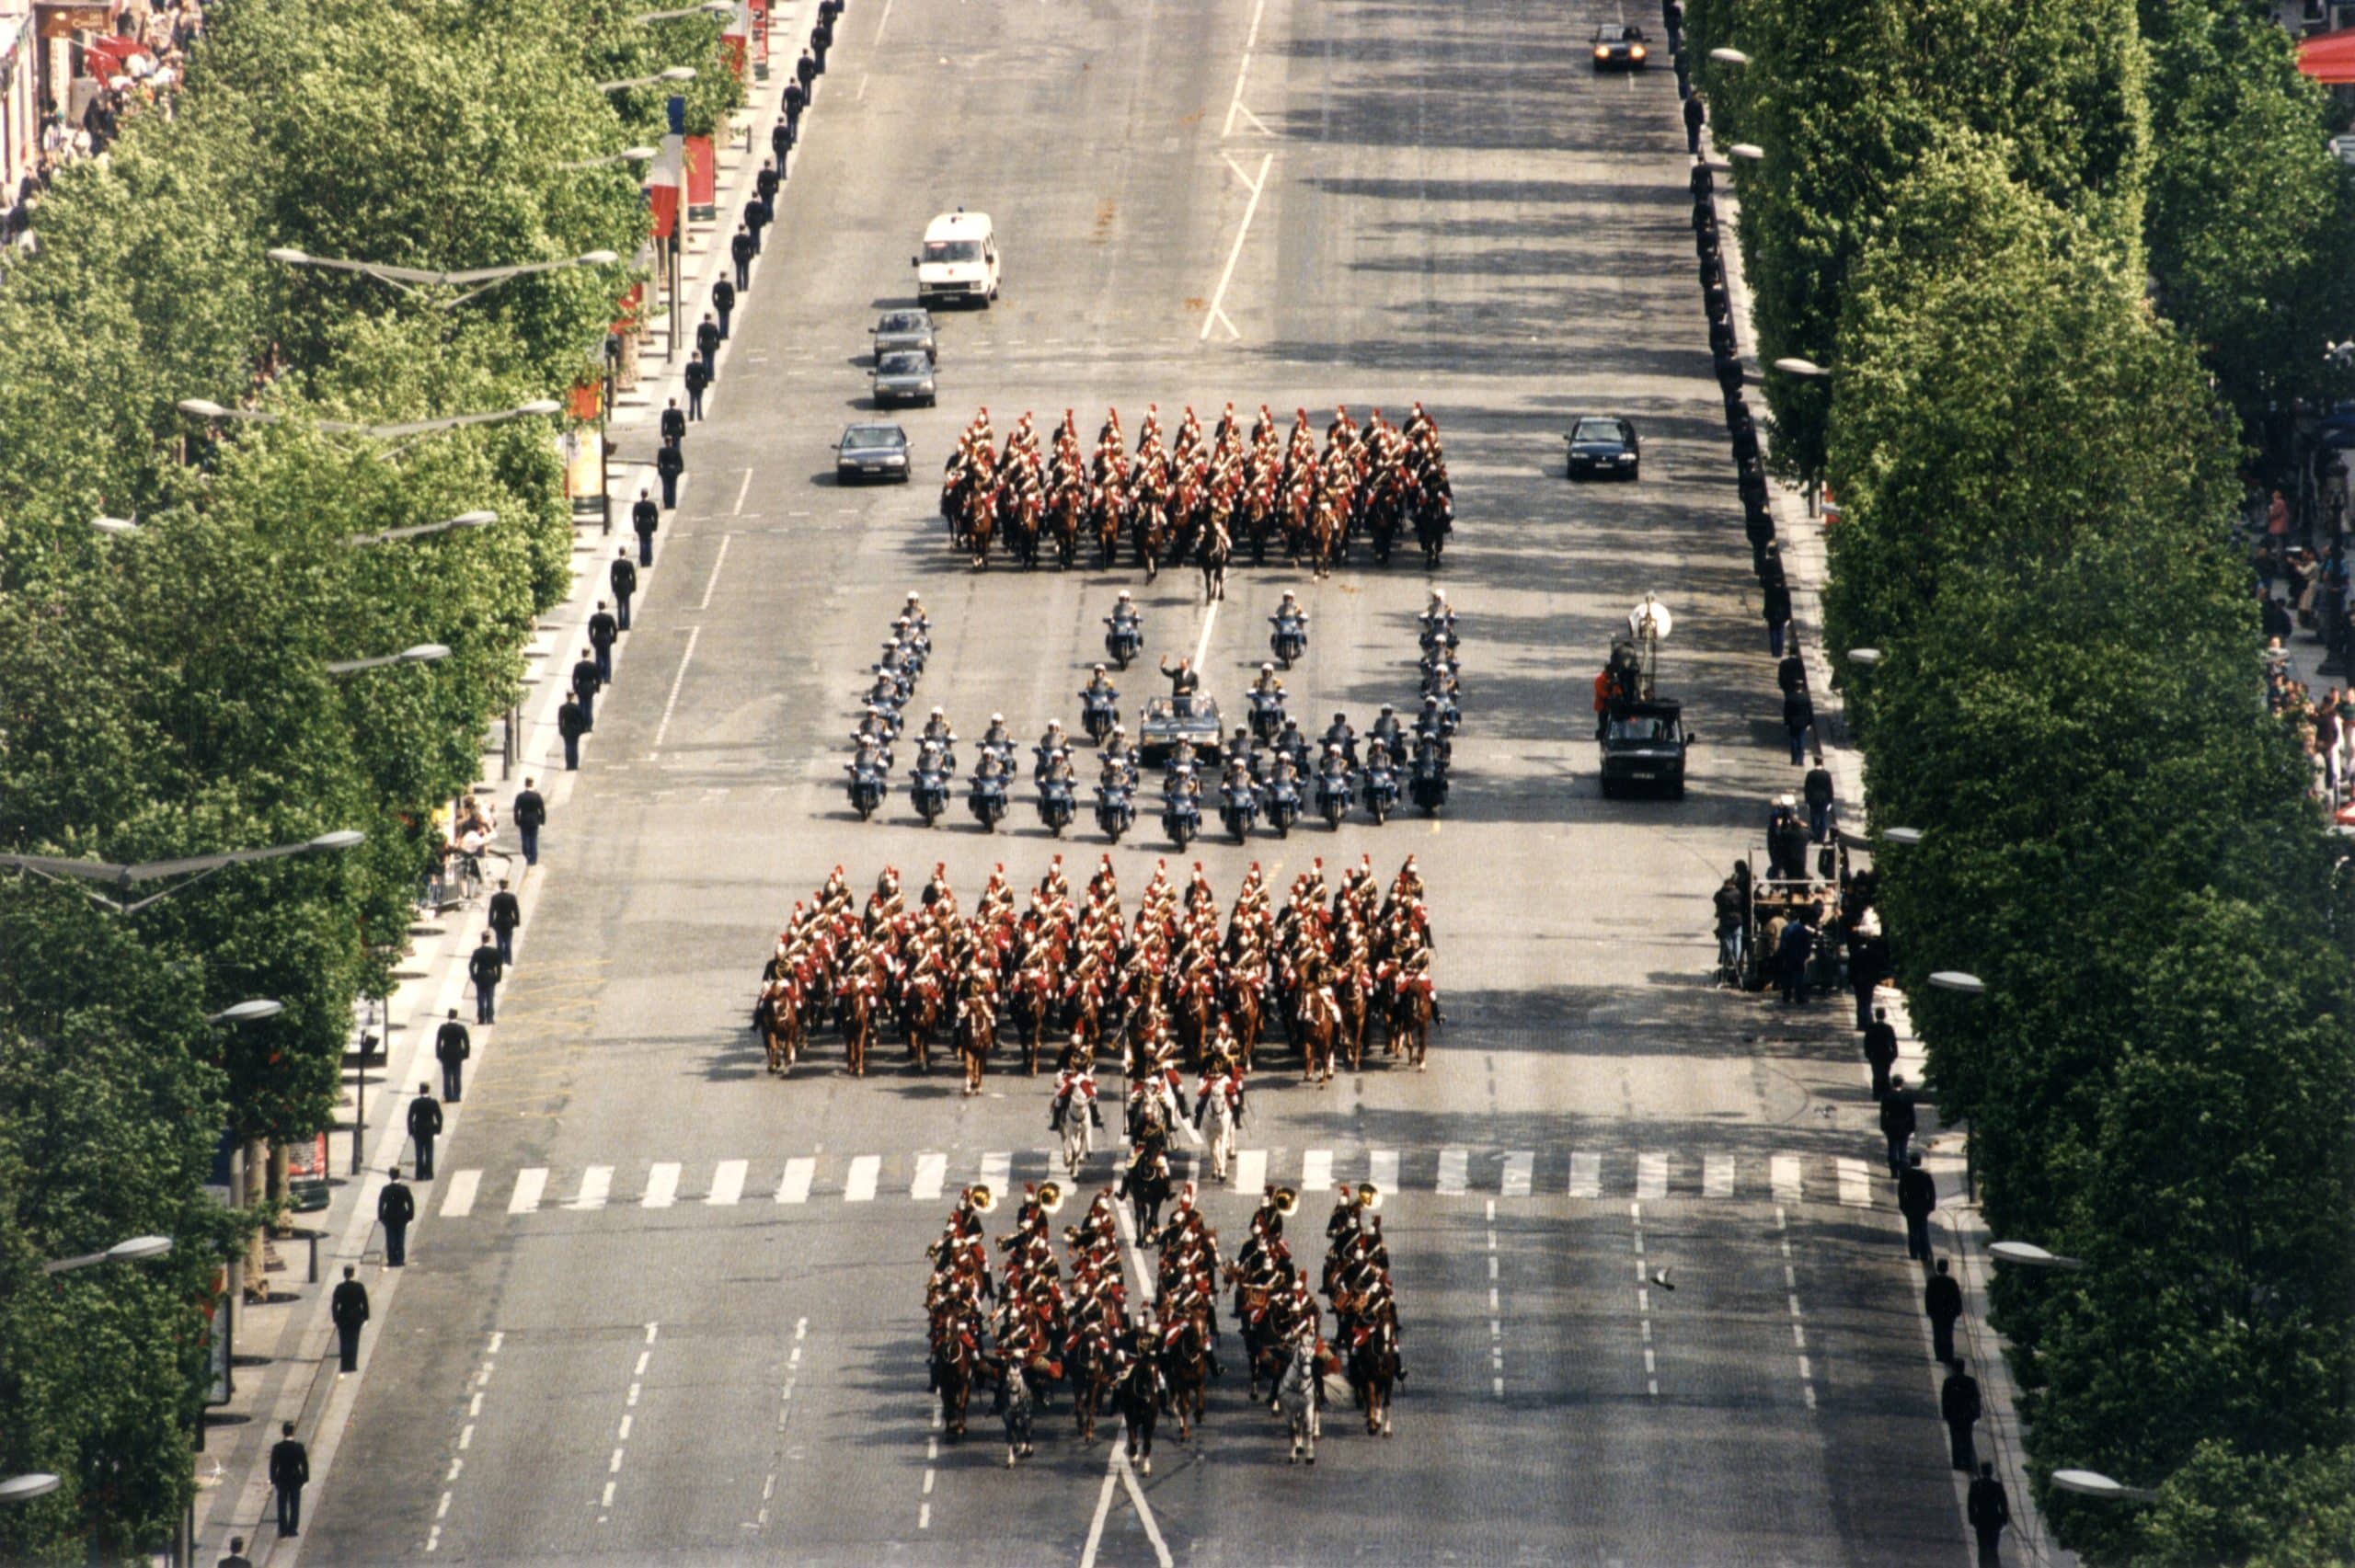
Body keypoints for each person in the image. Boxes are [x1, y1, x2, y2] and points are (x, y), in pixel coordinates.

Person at [269, 1423, 309, 1538]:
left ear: (283, 1432)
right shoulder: (299, 1447)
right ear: (293, 1431)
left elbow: (273, 1465)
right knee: (294, 1504)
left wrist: (273, 1479)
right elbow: (304, 1464)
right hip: (295, 1478)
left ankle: (283, 1528)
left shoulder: (277, 1448)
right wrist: (305, 1479)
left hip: (282, 1478)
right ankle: (293, 1528)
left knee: (282, 1504)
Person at [1941, 1358, 1982, 1471]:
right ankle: (1967, 1462)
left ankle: (1957, 1462)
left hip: (1953, 1415)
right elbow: (1976, 1399)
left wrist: (1945, 1414)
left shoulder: (1949, 1382)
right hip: (1967, 1415)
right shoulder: (1970, 1382)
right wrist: (1977, 1413)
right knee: (1967, 1439)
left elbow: (1945, 1400)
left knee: (1955, 1439)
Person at [1967, 1461, 2010, 1567]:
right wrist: (2004, 1520)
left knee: (1982, 1548)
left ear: (1981, 1471)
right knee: (1993, 1548)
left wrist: (1973, 1520)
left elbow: (1970, 1504)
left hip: (1981, 1521)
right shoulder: (1997, 1486)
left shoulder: (1975, 1485)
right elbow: (2003, 1504)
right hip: (1994, 1521)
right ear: (1991, 1472)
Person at [330, 1265, 370, 1374]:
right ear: (353, 1273)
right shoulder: (359, 1286)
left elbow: (334, 1305)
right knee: (354, 1340)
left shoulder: (339, 1288)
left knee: (344, 1340)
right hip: (356, 1317)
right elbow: (365, 1303)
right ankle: (352, 1364)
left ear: (344, 1274)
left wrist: (335, 1318)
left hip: (343, 1317)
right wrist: (366, 1317)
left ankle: (345, 1364)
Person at [1897, 1151, 1936, 1261]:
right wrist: (1931, 1206)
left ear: (1911, 1161)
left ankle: (1914, 1253)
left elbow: (1901, 1192)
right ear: (1920, 1161)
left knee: (1912, 1230)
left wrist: (1903, 1205)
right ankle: (1924, 1254)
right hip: (1923, 1206)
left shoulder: (1906, 1175)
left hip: (1910, 1205)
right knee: (1923, 1230)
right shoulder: (1925, 1175)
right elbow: (1931, 1192)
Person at [1925, 1256, 1963, 1365]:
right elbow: (1957, 1297)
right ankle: (1948, 1355)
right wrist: (1957, 1310)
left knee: (1937, 1333)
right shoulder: (1951, 1282)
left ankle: (1939, 1355)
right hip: (1949, 1313)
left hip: (1936, 1313)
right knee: (1948, 1334)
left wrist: (1929, 1310)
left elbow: (1928, 1297)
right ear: (1947, 1268)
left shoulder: (1932, 1281)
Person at [1881, 1074, 1918, 1176]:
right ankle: (1903, 1169)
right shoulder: (1908, 1096)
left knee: (1892, 1147)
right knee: (1903, 1148)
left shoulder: (1887, 1095)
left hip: (1892, 1124)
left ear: (1893, 1083)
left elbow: (1883, 1113)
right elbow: (1911, 1113)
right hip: (1904, 1125)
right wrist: (1913, 1127)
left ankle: (1893, 1171)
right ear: (1902, 1083)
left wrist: (1883, 1126)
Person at [378, 1167, 415, 1267]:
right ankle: (400, 1259)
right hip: (401, 1217)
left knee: (390, 1238)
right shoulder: (404, 1189)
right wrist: (410, 1216)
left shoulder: (386, 1189)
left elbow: (381, 1204)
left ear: (390, 1176)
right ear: (399, 1175)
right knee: (400, 1238)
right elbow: (410, 1203)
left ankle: (392, 1259)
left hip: (389, 1217)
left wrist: (381, 1217)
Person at [408, 1082, 443, 1180]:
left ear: (420, 1091)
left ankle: (419, 1175)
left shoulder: (415, 1102)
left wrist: (411, 1131)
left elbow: (410, 1117)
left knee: (419, 1154)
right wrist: (438, 1130)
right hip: (429, 1130)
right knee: (429, 1153)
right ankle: (429, 1174)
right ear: (428, 1090)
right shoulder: (433, 1102)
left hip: (418, 1130)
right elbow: (439, 1117)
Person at [1775, 909, 1812, 1004]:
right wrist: (1806, 955)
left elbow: (1783, 945)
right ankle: (1799, 997)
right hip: (1799, 956)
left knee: (1787, 977)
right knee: (1799, 977)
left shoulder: (1785, 929)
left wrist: (1782, 955)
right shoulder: (1803, 929)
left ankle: (1786, 997)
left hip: (1788, 955)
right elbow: (1807, 944)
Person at [1863, 1006, 1899, 1101]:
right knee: (1885, 1075)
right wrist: (1894, 1054)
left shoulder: (1871, 1027)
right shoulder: (1888, 1028)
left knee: (1876, 1075)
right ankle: (1885, 1094)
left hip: (1875, 1055)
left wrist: (1868, 1054)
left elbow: (1867, 1042)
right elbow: (1893, 1042)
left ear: (1876, 1015)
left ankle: (1876, 1095)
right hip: (1886, 1055)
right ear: (1885, 1016)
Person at [469, 933, 504, 1025]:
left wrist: (473, 976)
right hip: (490, 975)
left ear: (482, 939)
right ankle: (490, 1018)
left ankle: (481, 1018)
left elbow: (471, 965)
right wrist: (498, 977)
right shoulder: (494, 951)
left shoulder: (477, 951)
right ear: (489, 939)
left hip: (480, 975)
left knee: (480, 998)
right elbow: (499, 966)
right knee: (490, 998)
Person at [435, 1009, 471, 1102]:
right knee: (457, 1075)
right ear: (456, 1016)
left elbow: (438, 1042)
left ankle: (448, 1096)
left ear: (448, 1016)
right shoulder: (461, 1028)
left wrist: (439, 1054)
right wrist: (465, 1054)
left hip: (446, 1053)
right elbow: (466, 1042)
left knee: (447, 1075)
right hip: (457, 1054)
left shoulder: (443, 1028)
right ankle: (457, 1095)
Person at [512, 779, 546, 865]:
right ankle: (533, 859)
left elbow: (516, 810)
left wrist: (516, 821)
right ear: (532, 784)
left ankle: (526, 857)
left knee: (525, 839)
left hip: (524, 820)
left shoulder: (520, 796)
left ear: (525, 784)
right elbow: (542, 809)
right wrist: (542, 821)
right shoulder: (537, 796)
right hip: (535, 820)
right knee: (534, 839)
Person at [488, 878, 521, 966]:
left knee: (499, 941)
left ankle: (500, 960)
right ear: (507, 885)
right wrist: (517, 921)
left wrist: (491, 922)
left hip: (498, 921)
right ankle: (508, 960)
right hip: (508, 921)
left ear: (499, 886)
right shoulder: (512, 897)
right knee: (508, 941)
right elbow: (516, 910)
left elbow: (491, 911)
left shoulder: (495, 898)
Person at [1802, 756, 1834, 842]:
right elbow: (1830, 788)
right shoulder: (1827, 774)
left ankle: (1815, 836)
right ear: (1822, 762)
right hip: (1824, 799)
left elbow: (1807, 788)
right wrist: (1831, 801)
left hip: (1813, 799)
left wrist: (1807, 800)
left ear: (1815, 762)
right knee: (1823, 818)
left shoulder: (1810, 774)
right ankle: (1821, 837)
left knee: (1814, 818)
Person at [1159, 652, 1200, 717]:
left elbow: (1196, 687)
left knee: (1187, 715)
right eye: (1180, 663)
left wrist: (1188, 688)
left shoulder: (1193, 675)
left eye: (1182, 664)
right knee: (1176, 716)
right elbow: (1167, 673)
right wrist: (1162, 664)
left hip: (1186, 699)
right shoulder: (1176, 672)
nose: (1180, 665)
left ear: (1187, 664)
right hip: (1176, 698)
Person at [589, 601, 619, 686]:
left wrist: (592, 639)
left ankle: (600, 677)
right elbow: (615, 628)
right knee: (607, 658)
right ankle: (607, 677)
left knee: (599, 658)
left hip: (598, 638)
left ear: (598, 607)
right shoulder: (609, 617)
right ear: (605, 607)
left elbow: (590, 629)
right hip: (607, 638)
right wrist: (614, 638)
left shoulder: (594, 617)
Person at [1783, 685, 1814, 765]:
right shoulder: (1806, 698)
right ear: (1802, 688)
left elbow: (1786, 711)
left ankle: (1794, 759)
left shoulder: (1790, 698)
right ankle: (1801, 760)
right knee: (1801, 740)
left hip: (1792, 722)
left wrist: (1786, 722)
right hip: (1803, 722)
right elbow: (1810, 711)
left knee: (1793, 740)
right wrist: (1810, 723)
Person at [571, 647, 600, 732]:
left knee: (582, 707)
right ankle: (589, 725)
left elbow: (574, 678)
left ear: (582, 654)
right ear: (589, 654)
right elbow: (597, 678)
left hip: (581, 687)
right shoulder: (593, 665)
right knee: (589, 707)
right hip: (590, 687)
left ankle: (582, 725)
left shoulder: (578, 666)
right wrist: (597, 688)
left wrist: (575, 688)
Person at [611, 546, 638, 632]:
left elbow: (612, 577)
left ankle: (621, 624)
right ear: (625, 553)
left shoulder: (615, 563)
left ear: (619, 553)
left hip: (618, 584)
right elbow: (633, 576)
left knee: (619, 606)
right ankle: (627, 624)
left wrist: (613, 587)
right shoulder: (629, 563)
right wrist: (633, 587)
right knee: (626, 606)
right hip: (627, 585)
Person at [557, 694, 587, 771]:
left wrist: (561, 730)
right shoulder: (576, 707)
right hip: (575, 729)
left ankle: (569, 765)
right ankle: (574, 765)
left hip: (567, 729)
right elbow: (582, 719)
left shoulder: (562, 708)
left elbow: (560, 721)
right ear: (573, 697)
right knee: (575, 747)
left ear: (567, 697)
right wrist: (583, 729)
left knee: (568, 747)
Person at [656, 440, 685, 510]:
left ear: (665, 443)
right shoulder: (676, 450)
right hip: (673, 470)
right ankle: (672, 504)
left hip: (665, 470)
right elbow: (681, 461)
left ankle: (667, 504)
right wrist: (679, 471)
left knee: (666, 488)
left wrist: (660, 471)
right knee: (673, 488)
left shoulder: (661, 451)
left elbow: (659, 463)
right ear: (671, 442)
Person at [633, 486, 660, 564]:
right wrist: (655, 526)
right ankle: (649, 559)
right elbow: (655, 516)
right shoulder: (651, 504)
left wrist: (635, 526)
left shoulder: (637, 505)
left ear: (641, 495)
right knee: (648, 541)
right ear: (647, 494)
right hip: (649, 524)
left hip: (641, 523)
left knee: (642, 542)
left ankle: (643, 559)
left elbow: (634, 516)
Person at [684, 354, 710, 421]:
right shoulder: (701, 365)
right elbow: (705, 375)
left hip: (692, 383)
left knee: (692, 400)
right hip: (699, 384)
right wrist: (705, 384)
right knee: (699, 401)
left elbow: (686, 376)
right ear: (698, 357)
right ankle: (700, 416)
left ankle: (691, 417)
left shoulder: (689, 365)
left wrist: (687, 384)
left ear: (692, 357)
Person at [730, 223, 754, 292]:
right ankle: (745, 286)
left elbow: (733, 248)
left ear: (739, 229)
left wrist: (734, 256)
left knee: (738, 271)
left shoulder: (735, 238)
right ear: (744, 229)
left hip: (738, 255)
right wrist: (751, 255)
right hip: (746, 255)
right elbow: (751, 247)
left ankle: (739, 287)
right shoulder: (747, 237)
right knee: (746, 272)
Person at [712, 275, 736, 340]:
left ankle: (721, 334)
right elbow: (732, 294)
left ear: (720, 277)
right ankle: (726, 334)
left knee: (721, 318)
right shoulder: (728, 285)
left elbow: (713, 295)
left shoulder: (716, 285)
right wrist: (732, 303)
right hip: (727, 303)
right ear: (725, 276)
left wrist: (715, 303)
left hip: (720, 303)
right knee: (727, 319)